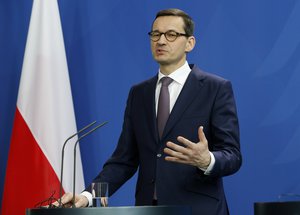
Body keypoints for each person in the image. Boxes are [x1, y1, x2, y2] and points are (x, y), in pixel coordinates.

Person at [59, 8, 242, 215]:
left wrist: (207, 160)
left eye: (171, 35)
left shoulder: (215, 88)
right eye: (155, 34)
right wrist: (86, 196)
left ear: (189, 43)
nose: (161, 41)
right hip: (149, 209)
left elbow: (233, 155)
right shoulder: (139, 93)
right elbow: (123, 160)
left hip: (198, 209)